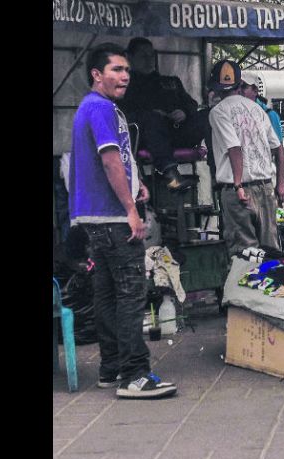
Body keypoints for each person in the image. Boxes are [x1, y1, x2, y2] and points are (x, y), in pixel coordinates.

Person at [69, 42, 177, 399]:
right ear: (96, 75)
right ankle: (135, 374)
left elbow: (119, 162)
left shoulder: (92, 107)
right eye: (116, 69)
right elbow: (110, 159)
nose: (125, 76)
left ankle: (111, 368)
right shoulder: (100, 108)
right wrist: (131, 209)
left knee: (108, 293)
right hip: (113, 217)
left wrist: (138, 185)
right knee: (131, 293)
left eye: (127, 70)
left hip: (97, 216)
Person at [208, 59, 284, 256]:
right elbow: (278, 148)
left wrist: (237, 185)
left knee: (245, 253)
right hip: (266, 187)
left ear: (215, 88)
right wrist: (280, 183)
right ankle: (273, 285)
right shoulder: (257, 109)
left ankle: (244, 287)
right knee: (270, 251)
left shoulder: (218, 111)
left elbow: (234, 147)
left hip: (239, 190)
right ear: (239, 84)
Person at [119, 37, 210, 191]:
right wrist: (154, 113)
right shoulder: (125, 86)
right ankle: (172, 177)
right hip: (149, 136)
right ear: (130, 58)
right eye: (143, 56)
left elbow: (192, 104)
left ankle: (218, 174)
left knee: (208, 114)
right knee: (152, 119)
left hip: (178, 132)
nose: (149, 60)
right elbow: (123, 115)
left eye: (151, 56)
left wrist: (184, 112)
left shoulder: (170, 81)